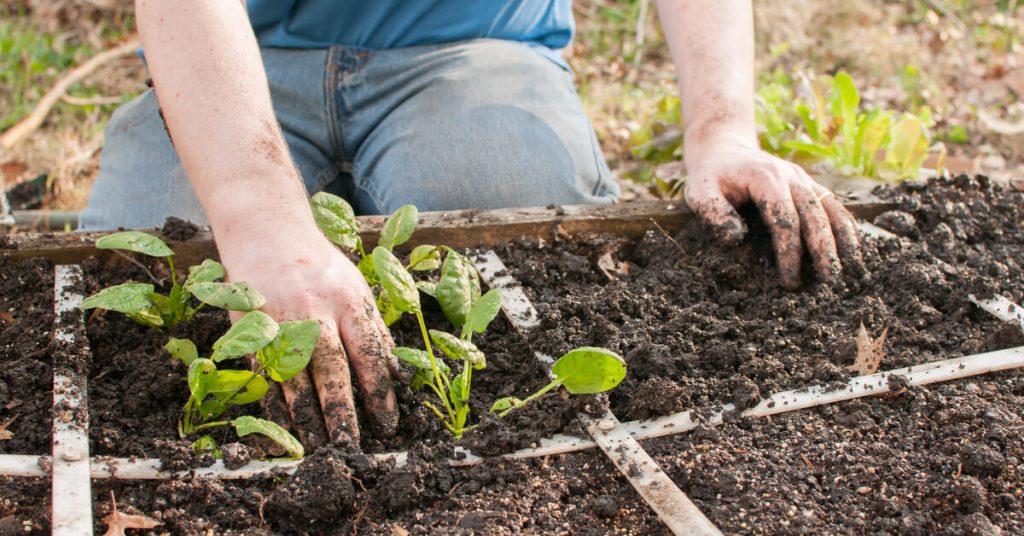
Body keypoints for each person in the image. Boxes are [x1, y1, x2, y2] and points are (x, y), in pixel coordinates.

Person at [80, 0, 861, 448]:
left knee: (517, 231)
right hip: (229, 52)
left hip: (475, 46)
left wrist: (721, 128)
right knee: (134, 279)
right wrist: (255, 209)